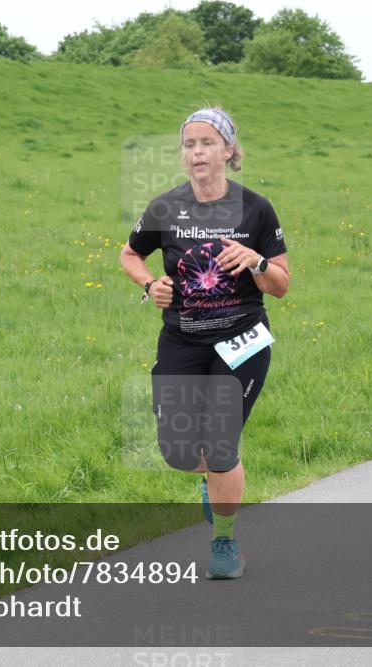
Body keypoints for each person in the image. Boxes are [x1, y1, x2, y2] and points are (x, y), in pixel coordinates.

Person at [119, 107, 289, 578]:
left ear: (229, 151)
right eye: (190, 144)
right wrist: (150, 285)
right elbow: (130, 253)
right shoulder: (165, 207)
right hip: (182, 341)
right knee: (178, 453)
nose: (198, 152)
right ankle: (214, 481)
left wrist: (256, 261)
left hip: (242, 343)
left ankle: (223, 543)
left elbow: (280, 284)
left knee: (219, 446)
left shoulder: (256, 208)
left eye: (208, 142)